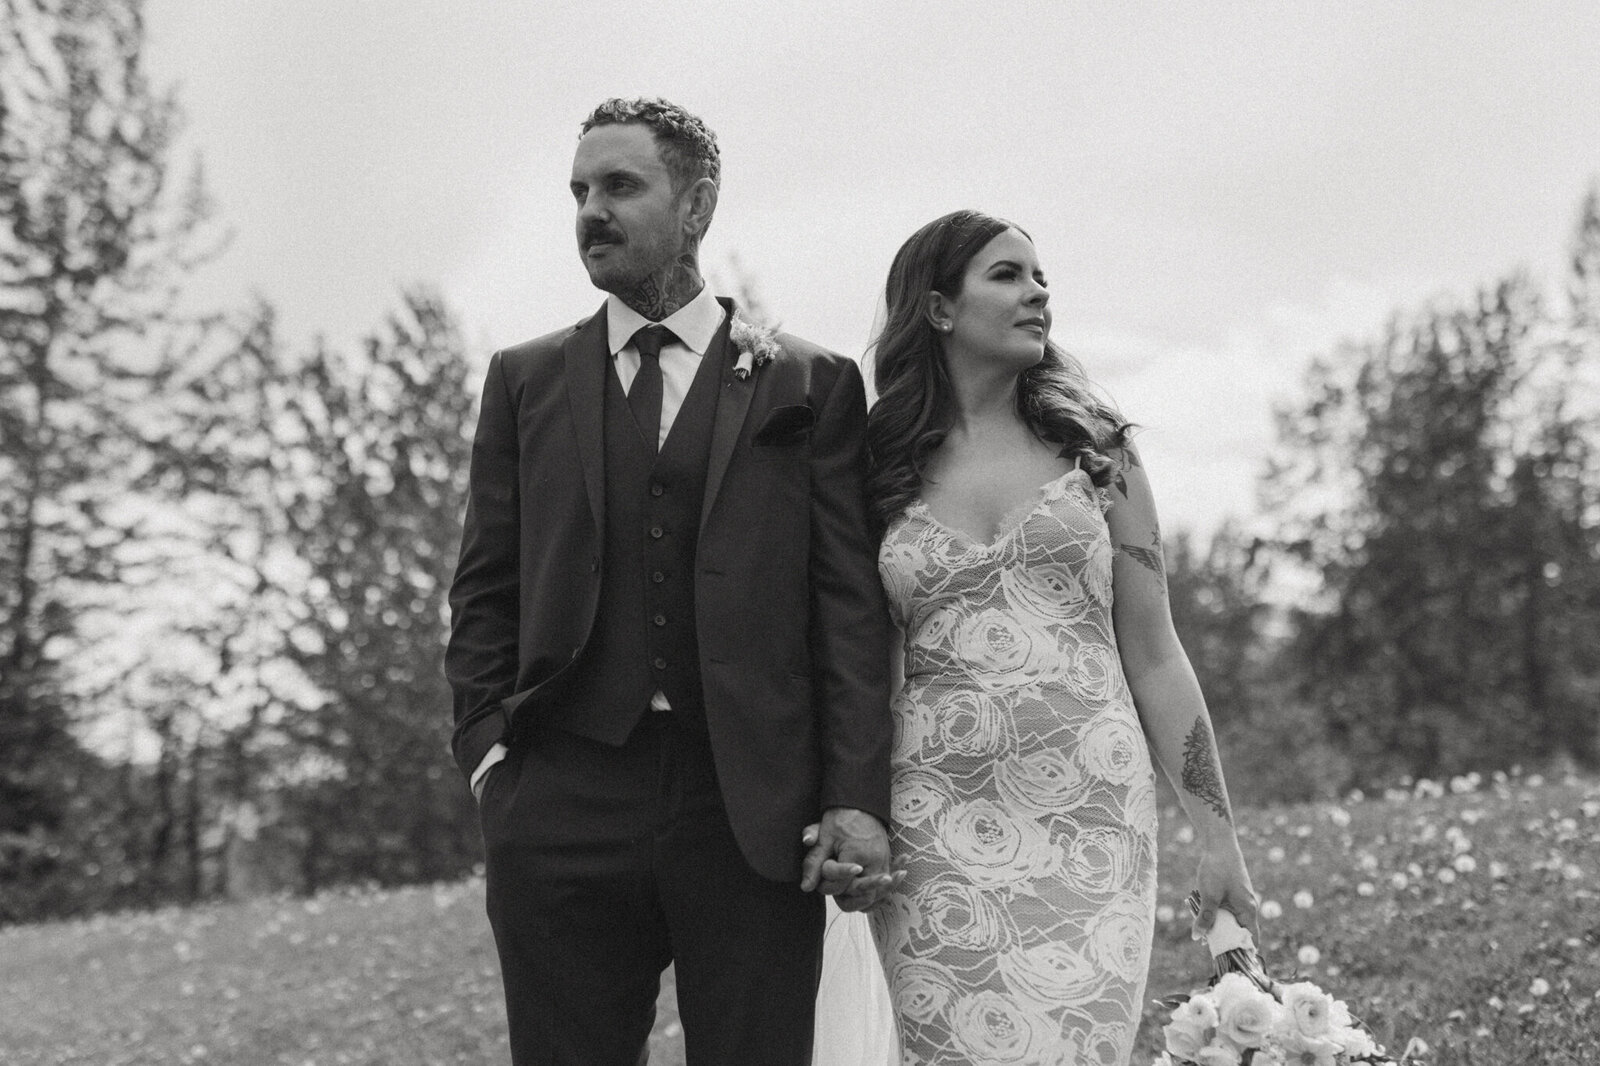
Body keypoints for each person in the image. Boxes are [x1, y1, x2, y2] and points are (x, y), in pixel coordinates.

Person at [444, 97, 896, 1066]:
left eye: (619, 186)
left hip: (747, 803)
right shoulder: (524, 379)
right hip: (562, 792)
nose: (589, 213)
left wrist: (854, 791)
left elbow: (848, 608)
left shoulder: (807, 384)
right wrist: (491, 760)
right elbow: (484, 587)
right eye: (578, 191)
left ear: (696, 205)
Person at [813, 210, 1259, 1066]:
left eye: (1041, 277)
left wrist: (1217, 837)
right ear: (939, 309)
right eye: (1008, 276)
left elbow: (1157, 653)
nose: (1038, 294)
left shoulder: (1099, 455)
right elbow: (852, 657)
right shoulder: (876, 466)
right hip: (930, 827)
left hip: (1093, 821)